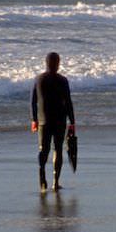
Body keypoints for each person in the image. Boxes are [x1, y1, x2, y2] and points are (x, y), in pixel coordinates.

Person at [31, 51, 75, 192]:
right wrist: (72, 122)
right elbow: (68, 103)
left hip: (43, 120)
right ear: (57, 64)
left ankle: (42, 176)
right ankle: (56, 182)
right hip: (59, 121)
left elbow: (33, 102)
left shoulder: (39, 79)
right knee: (58, 150)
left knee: (43, 149)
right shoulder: (63, 80)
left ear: (46, 63)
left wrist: (34, 120)